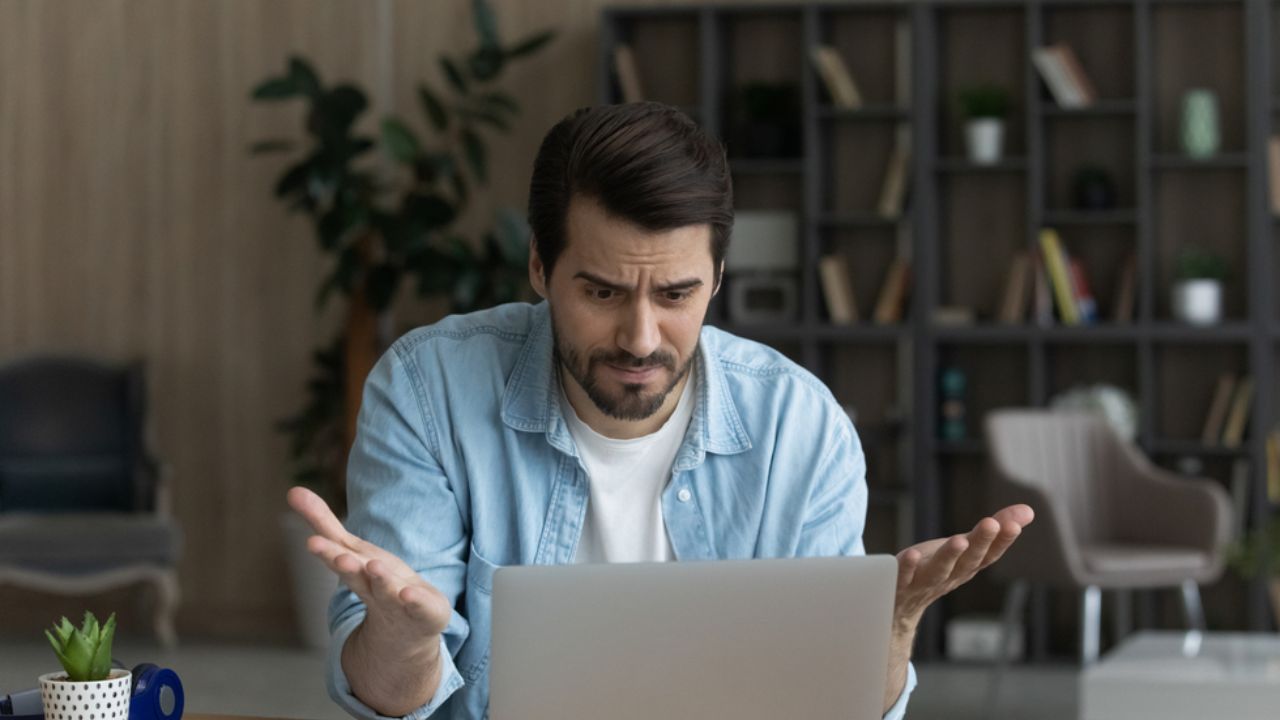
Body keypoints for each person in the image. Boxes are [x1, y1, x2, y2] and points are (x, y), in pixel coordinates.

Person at [287, 101, 1034, 720]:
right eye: (602, 292)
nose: (640, 338)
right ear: (541, 268)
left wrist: (890, 630)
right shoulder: (429, 391)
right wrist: (408, 640)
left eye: (675, 295)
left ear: (716, 279)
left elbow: (837, 709)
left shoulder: (798, 426)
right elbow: (387, 700)